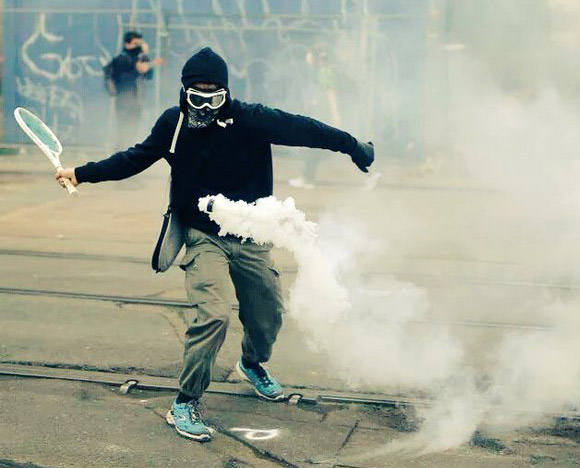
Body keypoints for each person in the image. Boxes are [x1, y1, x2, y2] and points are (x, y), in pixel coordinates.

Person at [56, 47, 374, 442]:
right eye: (197, 97)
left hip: (251, 236)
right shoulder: (173, 124)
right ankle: (185, 402)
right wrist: (81, 173)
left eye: (214, 97)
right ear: (184, 92)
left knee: (268, 315)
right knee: (214, 316)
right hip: (203, 237)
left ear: (226, 93)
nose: (205, 106)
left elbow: (305, 129)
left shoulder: (251, 119)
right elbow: (135, 158)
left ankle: (251, 364)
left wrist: (352, 145)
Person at [105, 31, 162, 150]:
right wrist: (143, 61)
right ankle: (120, 153)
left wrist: (145, 58)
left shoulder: (138, 59)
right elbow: (133, 74)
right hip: (124, 100)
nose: (138, 47)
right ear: (127, 44)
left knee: (133, 130)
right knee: (124, 130)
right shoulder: (121, 60)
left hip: (137, 101)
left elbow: (148, 75)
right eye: (136, 44)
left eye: (140, 44)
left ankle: (125, 152)